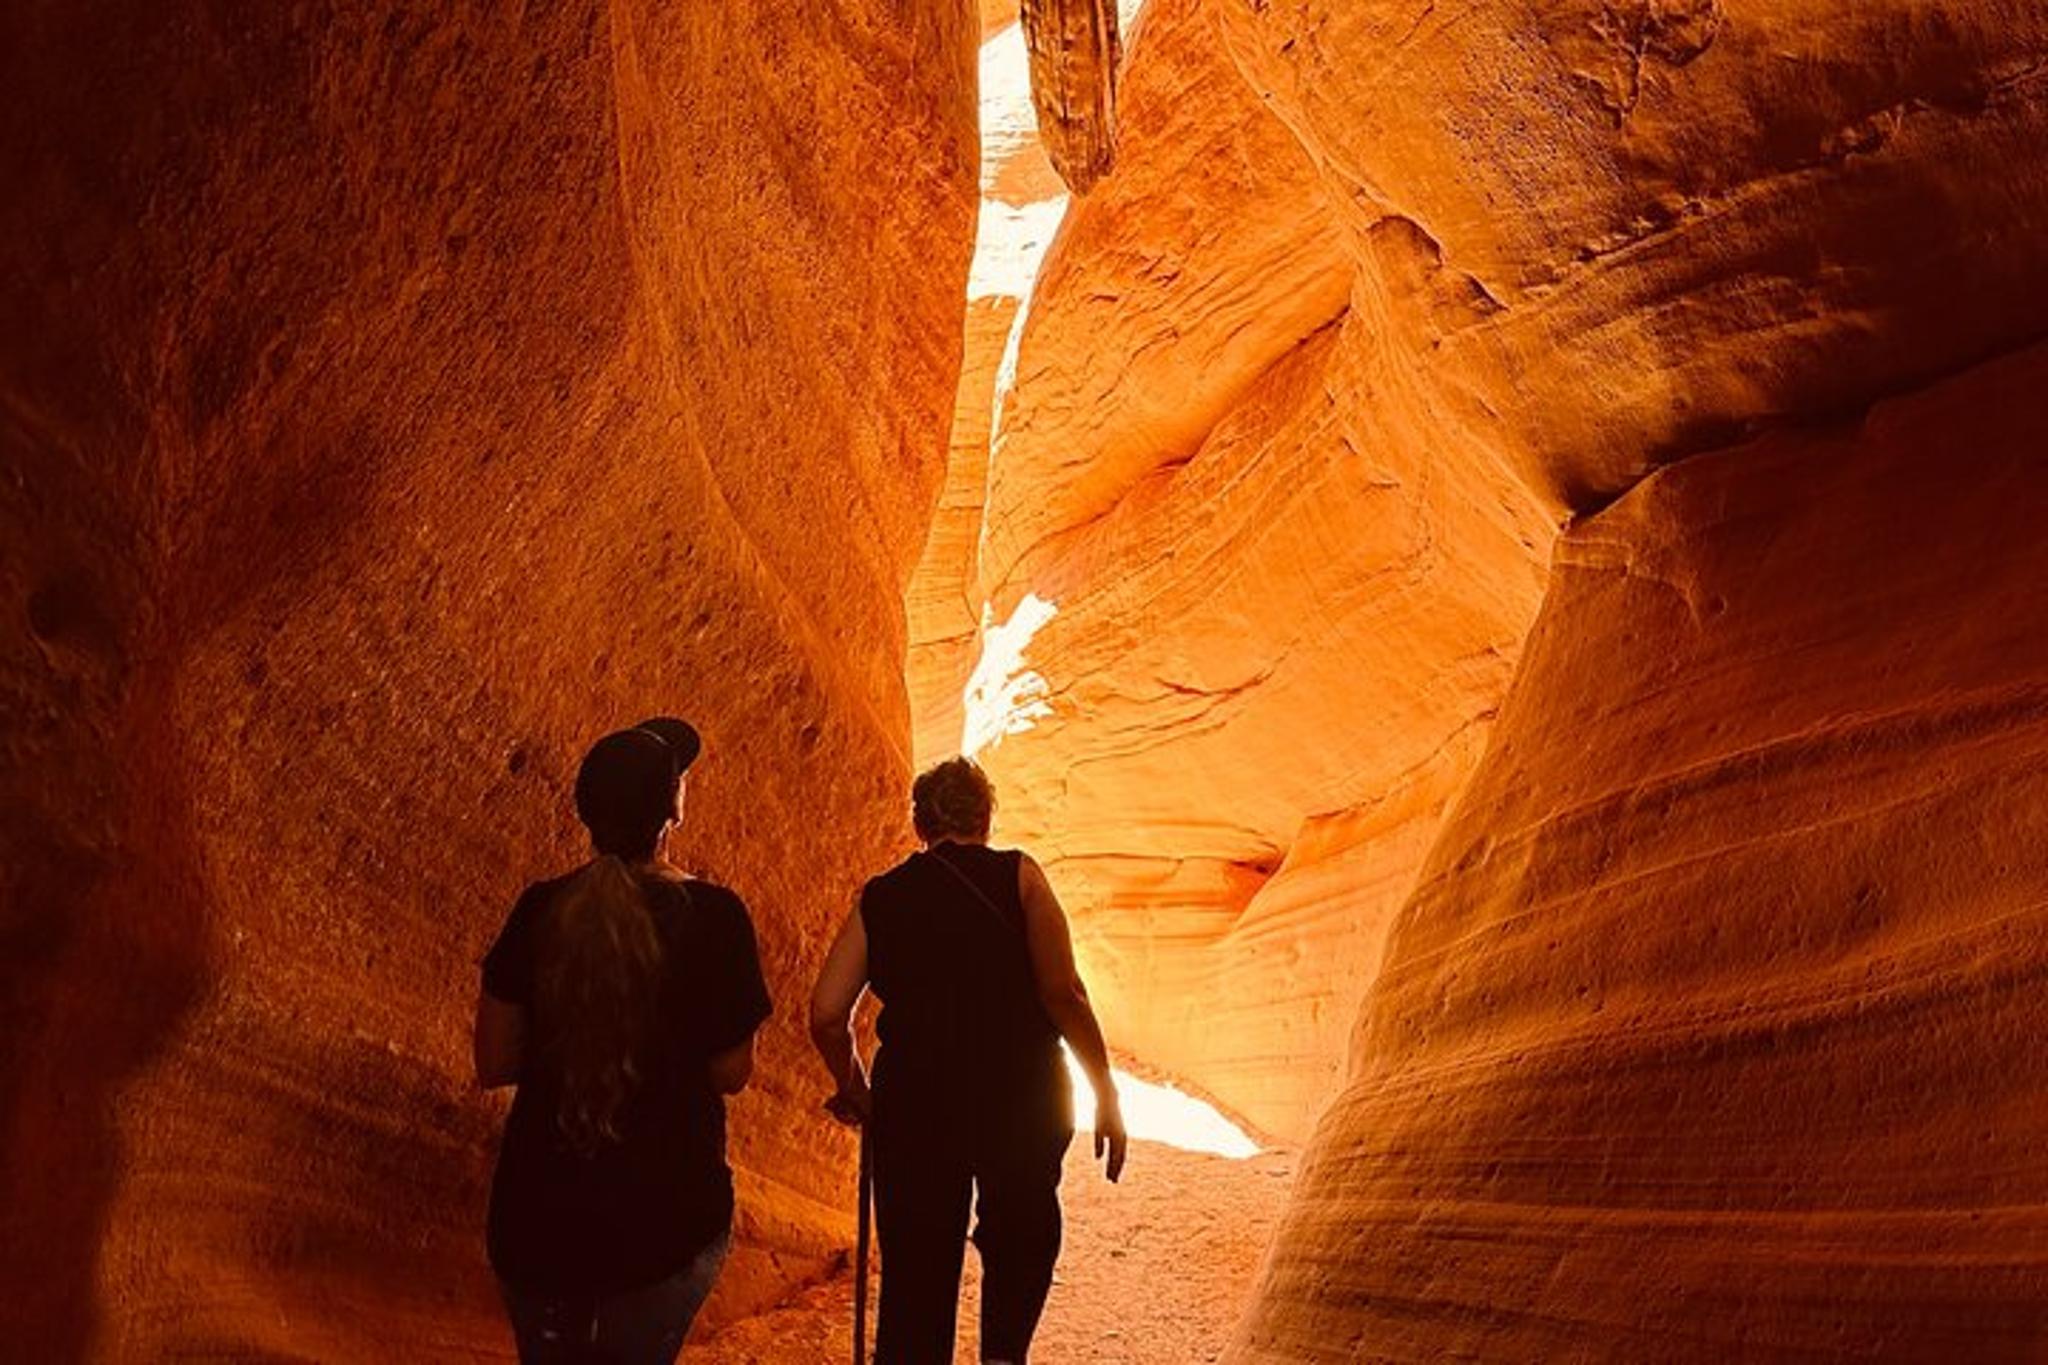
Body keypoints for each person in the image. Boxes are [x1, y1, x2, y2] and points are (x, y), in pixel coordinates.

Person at [809, 756, 1128, 1365]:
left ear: (919, 824)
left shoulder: (882, 897)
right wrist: (1105, 1094)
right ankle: (1004, 1356)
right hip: (1022, 1096)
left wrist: (858, 1090)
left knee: (917, 1273)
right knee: (1020, 1236)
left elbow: (827, 1013)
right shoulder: (1022, 878)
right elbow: (1064, 994)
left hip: (916, 1101)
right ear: (985, 816)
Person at [475, 717, 771, 1364]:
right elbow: (730, 1071)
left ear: (586, 811)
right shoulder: (716, 917)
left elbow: (495, 1059)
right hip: (662, 1226)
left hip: (537, 1225)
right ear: (674, 809)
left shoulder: (537, 909)